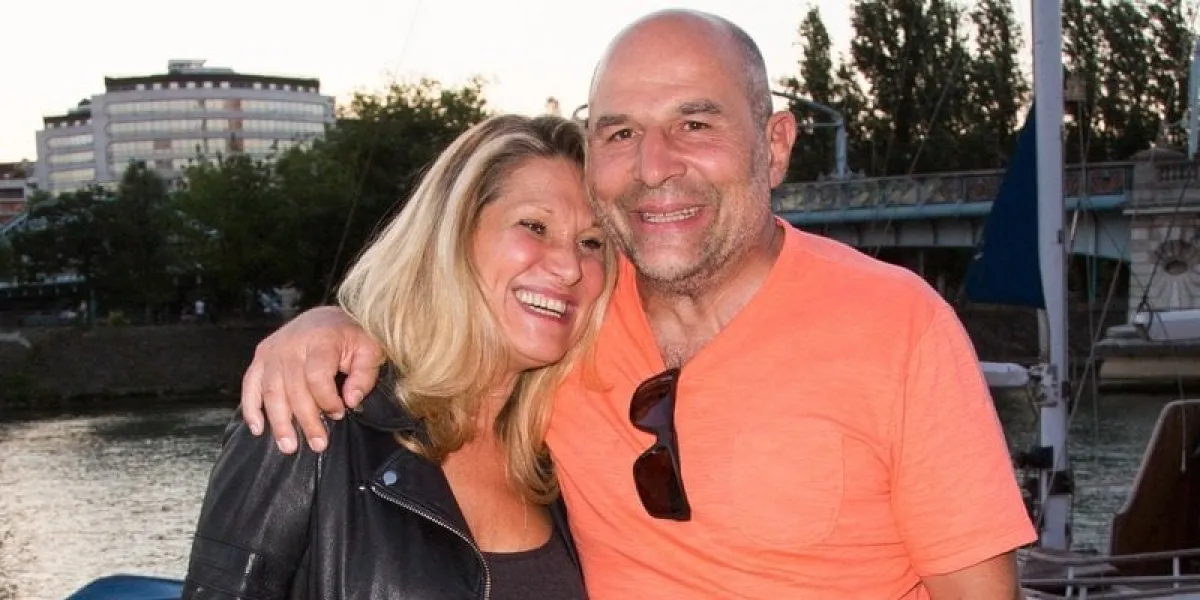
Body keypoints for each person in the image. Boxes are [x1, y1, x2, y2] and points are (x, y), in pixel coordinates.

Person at [239, 9, 1037, 599]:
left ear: (777, 144)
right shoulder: (575, 315)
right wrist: (329, 326)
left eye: (695, 122)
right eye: (619, 133)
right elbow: (460, 315)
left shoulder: (896, 325)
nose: (654, 166)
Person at [182, 114, 615, 599]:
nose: (569, 266)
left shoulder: (563, 459)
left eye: (591, 243)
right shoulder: (318, 412)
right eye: (535, 226)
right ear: (452, 236)